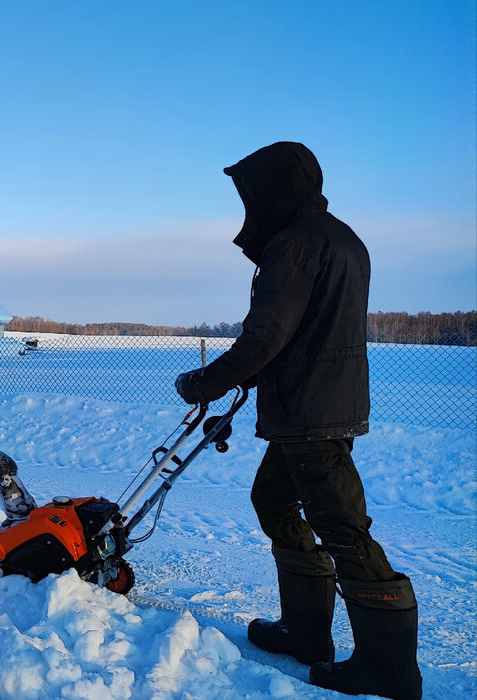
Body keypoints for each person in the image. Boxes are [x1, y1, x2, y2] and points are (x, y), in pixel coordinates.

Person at [173, 142, 421, 700]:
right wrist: (259, 375)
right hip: (314, 405)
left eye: (251, 193)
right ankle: (305, 632)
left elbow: (267, 335)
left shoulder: (295, 244)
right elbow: (306, 331)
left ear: (276, 189)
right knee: (275, 502)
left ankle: (388, 668)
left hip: (311, 414)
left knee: (344, 531)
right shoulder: (340, 237)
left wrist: (205, 382)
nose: (248, 204)